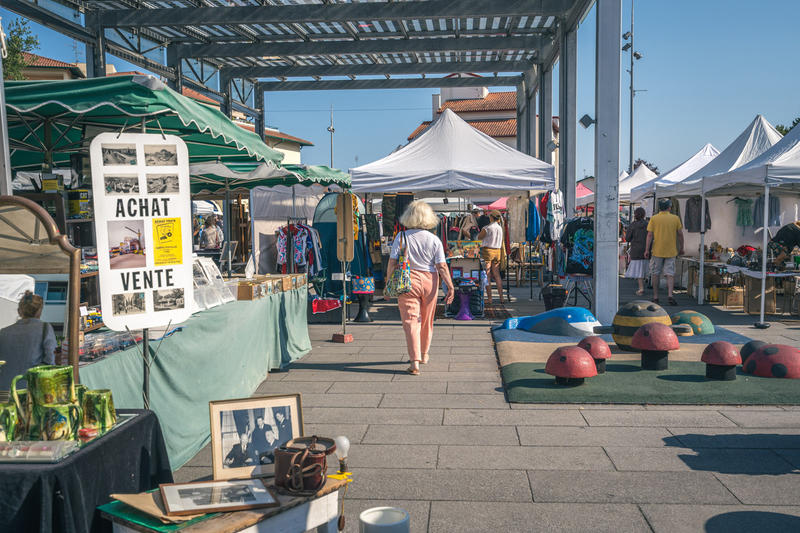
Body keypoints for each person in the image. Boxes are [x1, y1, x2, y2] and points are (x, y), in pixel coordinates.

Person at [386, 200, 455, 376]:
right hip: (430, 281)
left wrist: (388, 284)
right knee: (427, 320)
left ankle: (414, 361)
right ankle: (424, 354)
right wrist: (450, 286)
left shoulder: (401, 237)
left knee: (410, 321)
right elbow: (442, 266)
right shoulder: (434, 239)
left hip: (407, 280)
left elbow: (392, 263)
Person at [0, 291, 56, 391]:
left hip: (4, 388)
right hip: (32, 389)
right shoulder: (45, 329)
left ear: (19, 311)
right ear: (39, 311)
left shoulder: (3, 332)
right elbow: (50, 361)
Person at [645, 198, 684, 306]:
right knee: (670, 274)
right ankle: (670, 295)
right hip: (671, 250)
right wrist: (681, 247)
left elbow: (649, 235)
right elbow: (680, 234)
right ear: (669, 207)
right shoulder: (675, 218)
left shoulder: (654, 218)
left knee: (655, 274)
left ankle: (656, 297)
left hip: (657, 250)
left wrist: (647, 249)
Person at [478, 210, 505, 305]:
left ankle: (490, 298)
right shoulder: (500, 228)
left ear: (491, 218)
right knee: (497, 275)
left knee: (488, 274)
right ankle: (501, 297)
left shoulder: (487, 228)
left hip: (488, 251)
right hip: (497, 251)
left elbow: (479, 237)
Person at [625, 207, 650, 296]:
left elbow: (627, 238)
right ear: (644, 215)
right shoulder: (648, 224)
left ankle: (641, 288)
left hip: (636, 250)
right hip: (647, 249)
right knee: (645, 269)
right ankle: (647, 286)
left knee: (639, 270)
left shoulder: (632, 225)